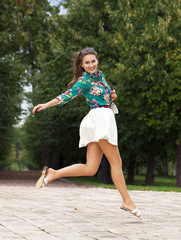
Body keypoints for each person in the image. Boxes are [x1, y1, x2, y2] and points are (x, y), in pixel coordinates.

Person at [32, 47, 142, 219]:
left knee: (91, 168)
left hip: (103, 116)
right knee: (117, 163)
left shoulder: (100, 76)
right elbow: (67, 95)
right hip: (100, 120)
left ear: (97, 61)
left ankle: (54, 173)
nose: (91, 65)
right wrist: (46, 104)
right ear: (82, 65)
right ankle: (127, 201)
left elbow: (102, 96)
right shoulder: (83, 81)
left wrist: (111, 95)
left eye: (93, 61)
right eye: (87, 63)